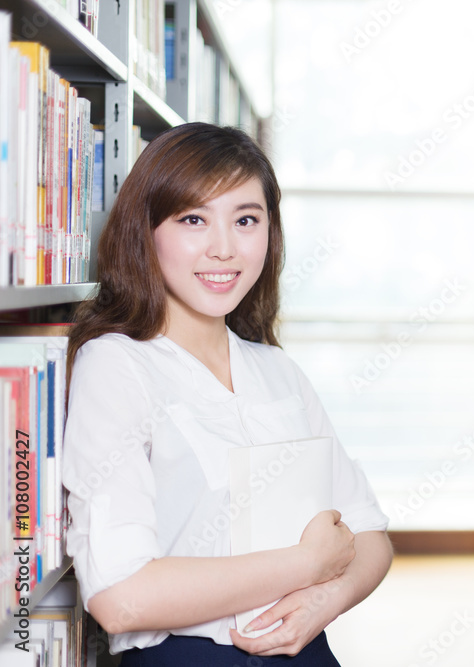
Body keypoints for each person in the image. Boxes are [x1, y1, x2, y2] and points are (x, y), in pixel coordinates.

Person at [61, 122, 393, 666]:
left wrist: (325, 600)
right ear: (145, 230)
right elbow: (120, 598)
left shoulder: (278, 371)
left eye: (245, 220)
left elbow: (371, 535)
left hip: (309, 649)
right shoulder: (117, 365)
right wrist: (308, 565)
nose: (223, 248)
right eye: (193, 219)